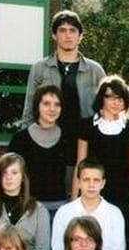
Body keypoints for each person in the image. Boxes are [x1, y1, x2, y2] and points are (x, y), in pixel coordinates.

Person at [22, 10, 105, 178]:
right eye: (62, 30)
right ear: (54, 35)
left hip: (85, 146)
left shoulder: (95, 70)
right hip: (49, 145)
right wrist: (27, 144)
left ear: (80, 36)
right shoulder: (39, 69)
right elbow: (29, 110)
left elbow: (106, 110)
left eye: (72, 30)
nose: (68, 35)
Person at [74, 75, 129, 217]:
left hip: (123, 195)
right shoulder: (87, 126)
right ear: (102, 98)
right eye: (111, 97)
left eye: (120, 99)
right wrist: (74, 199)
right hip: (93, 192)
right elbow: (79, 165)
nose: (116, 102)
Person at [51, 159, 125, 250]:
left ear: (103, 183)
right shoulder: (64, 212)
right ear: (78, 182)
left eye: (96, 180)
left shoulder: (114, 214)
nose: (91, 185)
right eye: (86, 180)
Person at [9, 84, 67, 203]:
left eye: (57, 104)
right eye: (46, 103)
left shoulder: (67, 138)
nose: (52, 109)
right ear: (37, 106)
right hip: (28, 206)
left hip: (59, 206)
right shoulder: (20, 139)